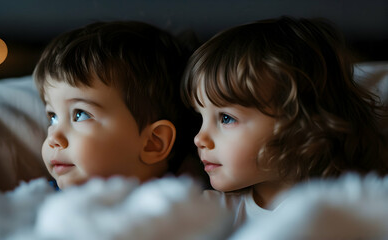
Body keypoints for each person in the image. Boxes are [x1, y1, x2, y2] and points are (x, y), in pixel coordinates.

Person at [181, 16, 388, 227]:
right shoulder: (208, 212)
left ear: (302, 124)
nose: (199, 138)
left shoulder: (355, 210)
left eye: (226, 118)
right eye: (201, 117)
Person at [33, 21, 194, 189]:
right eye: (53, 117)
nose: (53, 138)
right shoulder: (38, 199)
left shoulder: (183, 209)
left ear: (152, 143)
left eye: (80, 114)